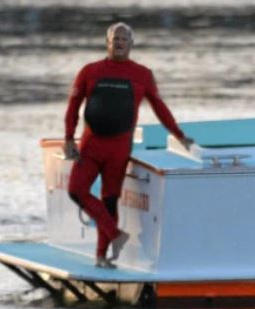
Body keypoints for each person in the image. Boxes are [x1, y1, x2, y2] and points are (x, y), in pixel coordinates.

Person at [63, 22, 194, 268]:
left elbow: (159, 107)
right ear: (107, 43)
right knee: (76, 190)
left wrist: (178, 133)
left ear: (131, 44)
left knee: (110, 200)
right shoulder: (89, 71)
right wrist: (69, 138)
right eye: (115, 39)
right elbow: (73, 108)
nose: (119, 43)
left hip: (119, 149)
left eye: (124, 39)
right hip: (91, 145)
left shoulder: (142, 74)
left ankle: (101, 257)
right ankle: (115, 233)